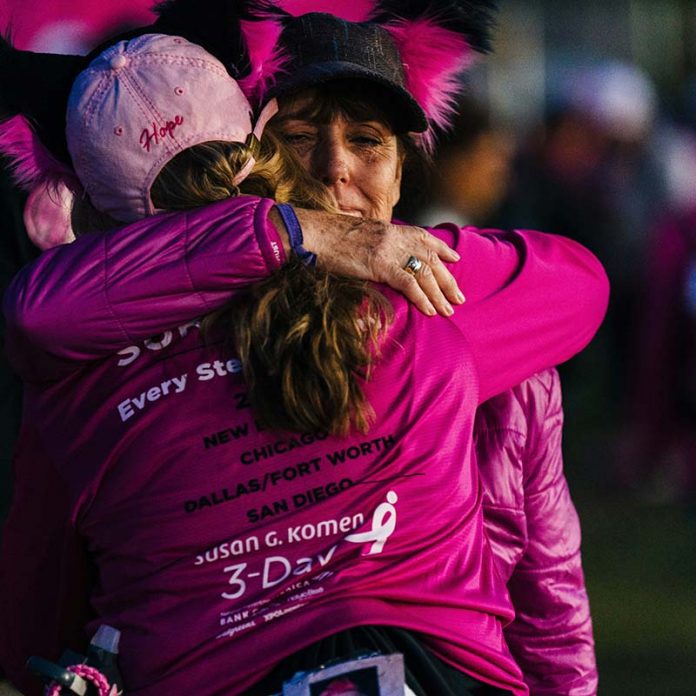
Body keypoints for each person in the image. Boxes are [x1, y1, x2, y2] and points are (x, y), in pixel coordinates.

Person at [0, 8, 607, 696]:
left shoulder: (434, 289)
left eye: (369, 141)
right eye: (299, 134)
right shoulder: (84, 343)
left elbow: (547, 572)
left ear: (406, 167)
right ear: (253, 148)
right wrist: (293, 234)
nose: (334, 166)